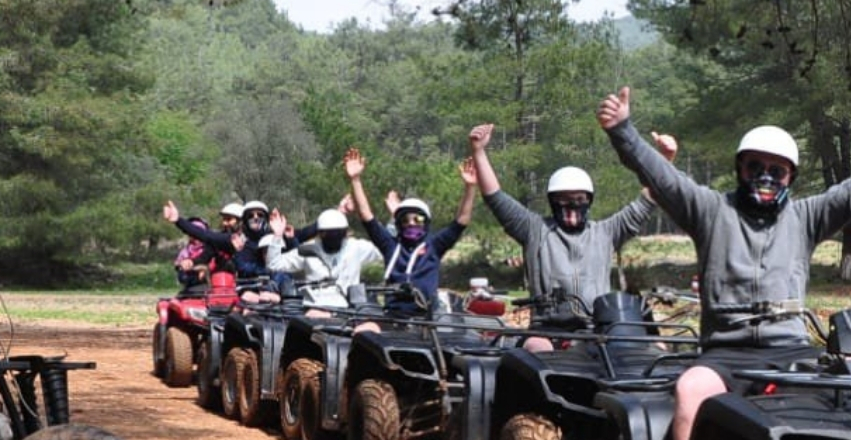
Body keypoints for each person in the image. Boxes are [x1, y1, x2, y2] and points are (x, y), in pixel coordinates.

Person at [594, 85, 851, 440]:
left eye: (777, 170)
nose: (766, 176)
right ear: (740, 169)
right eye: (755, 167)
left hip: (792, 351)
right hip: (726, 354)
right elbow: (663, 178)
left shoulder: (806, 217)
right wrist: (623, 130)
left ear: (790, 177)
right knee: (690, 390)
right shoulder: (710, 211)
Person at [466, 122, 664, 319]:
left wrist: (664, 159)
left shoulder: (606, 232)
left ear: (589, 200)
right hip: (547, 329)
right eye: (563, 199)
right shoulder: (535, 230)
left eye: (579, 199)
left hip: (597, 330)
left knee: (649, 347)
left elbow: (646, 202)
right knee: (536, 346)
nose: (571, 205)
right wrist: (479, 151)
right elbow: (495, 197)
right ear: (552, 202)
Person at [345, 148, 477, 311]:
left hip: (427, 318)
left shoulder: (434, 246)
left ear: (426, 223)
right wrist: (355, 180)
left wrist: (470, 187)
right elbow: (366, 216)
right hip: (393, 316)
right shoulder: (390, 246)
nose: (411, 223)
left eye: (418, 219)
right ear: (398, 224)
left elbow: (462, 220)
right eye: (405, 220)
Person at [263, 201, 381, 308]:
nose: (333, 236)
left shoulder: (356, 247)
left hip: (350, 311)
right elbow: (274, 264)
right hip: (315, 309)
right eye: (328, 233)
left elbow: (387, 248)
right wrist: (277, 236)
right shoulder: (308, 250)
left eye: (338, 232)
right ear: (319, 233)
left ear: (345, 232)